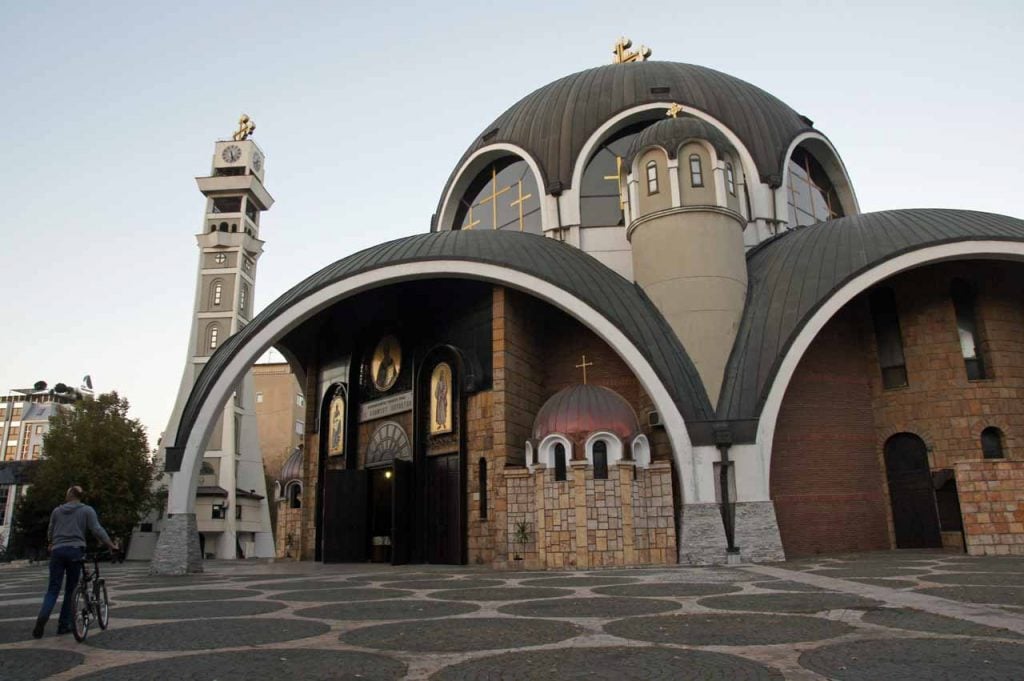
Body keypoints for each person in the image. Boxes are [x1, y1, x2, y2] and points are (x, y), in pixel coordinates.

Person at [32, 485, 118, 638]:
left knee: (53, 589)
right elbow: (96, 529)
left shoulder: (57, 511)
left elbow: (50, 530)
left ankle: (42, 617)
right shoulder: (86, 510)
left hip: (57, 551)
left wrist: (51, 542)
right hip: (75, 550)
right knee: (71, 590)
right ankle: (64, 624)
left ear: (70, 495)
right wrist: (110, 545)